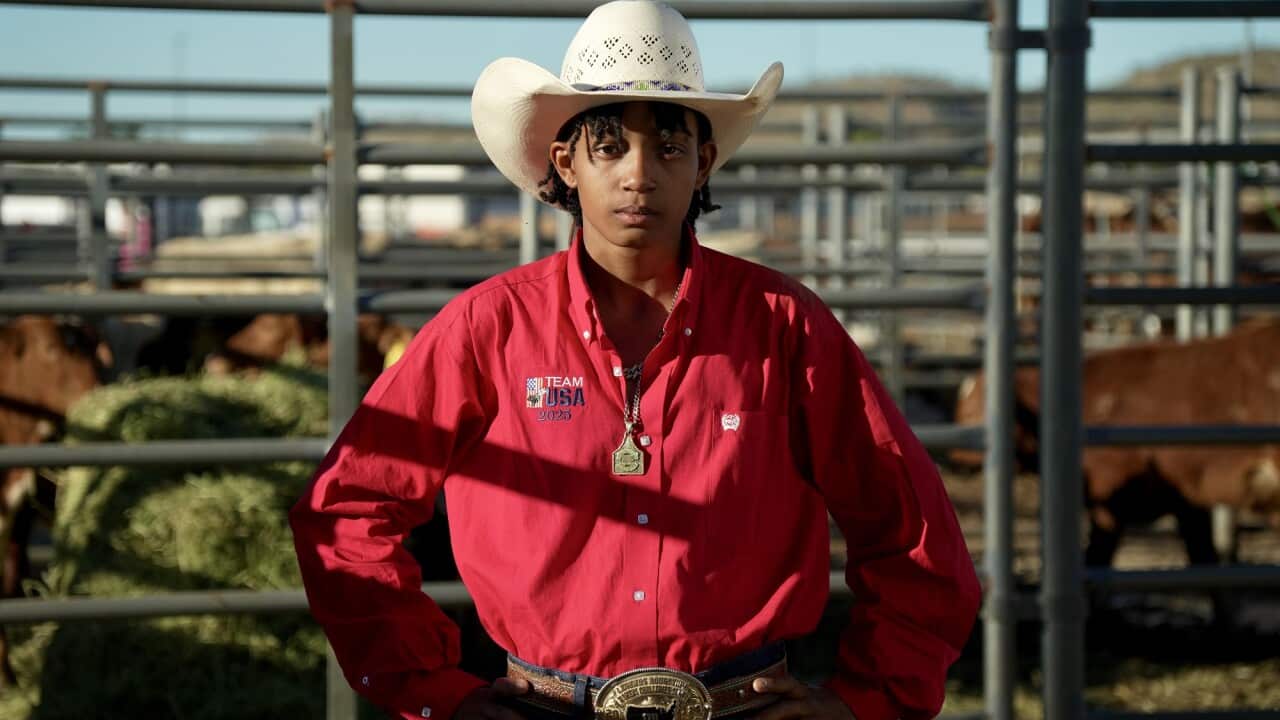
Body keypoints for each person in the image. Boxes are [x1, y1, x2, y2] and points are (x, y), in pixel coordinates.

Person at [290, 3, 981, 720]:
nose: (639, 175)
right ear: (566, 162)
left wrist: (861, 702)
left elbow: (914, 533)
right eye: (610, 147)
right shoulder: (487, 328)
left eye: (670, 148)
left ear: (703, 161)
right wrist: (437, 694)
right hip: (541, 706)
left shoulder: (784, 327)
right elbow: (346, 512)